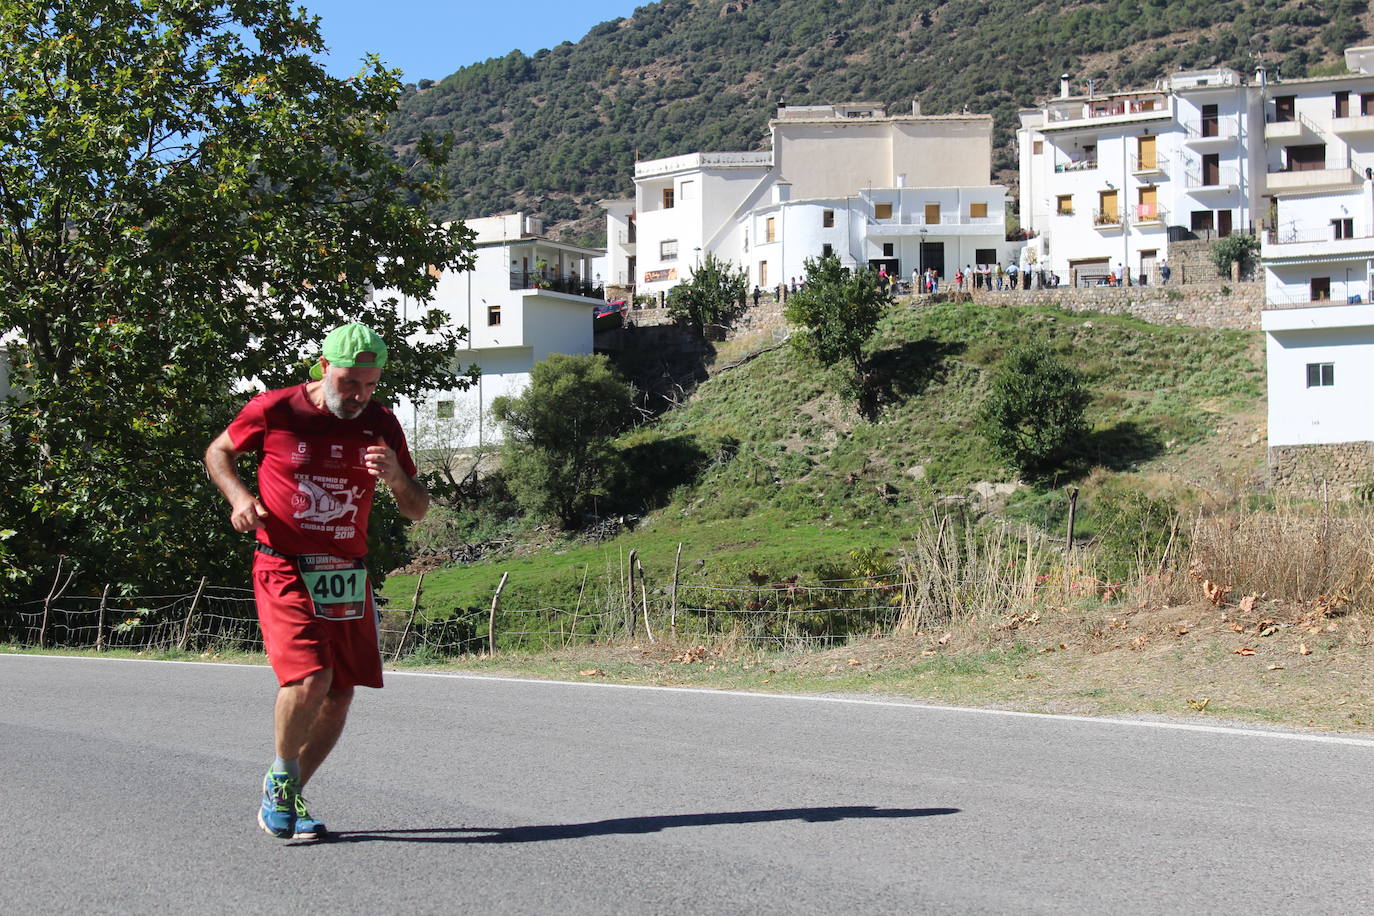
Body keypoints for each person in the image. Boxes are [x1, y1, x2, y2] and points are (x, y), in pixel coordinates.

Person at [204, 322, 430, 841]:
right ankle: (282, 780)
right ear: (324, 368)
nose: (359, 396)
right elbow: (218, 453)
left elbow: (417, 511)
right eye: (351, 382)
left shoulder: (381, 423)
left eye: (371, 385)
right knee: (311, 678)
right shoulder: (275, 409)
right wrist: (241, 499)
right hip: (283, 562)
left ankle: (287, 789)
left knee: (340, 692)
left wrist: (396, 476)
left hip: (346, 573)